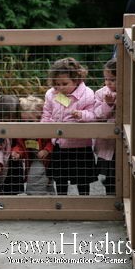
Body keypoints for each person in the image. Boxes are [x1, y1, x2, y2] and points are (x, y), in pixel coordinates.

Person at [41, 57, 96, 195]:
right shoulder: (51, 94)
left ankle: (84, 204)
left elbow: (94, 115)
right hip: (60, 145)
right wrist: (45, 128)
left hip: (80, 146)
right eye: (57, 84)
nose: (60, 87)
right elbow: (46, 114)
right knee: (60, 179)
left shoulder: (88, 94)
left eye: (64, 83)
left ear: (76, 79)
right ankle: (62, 205)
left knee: (83, 180)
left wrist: (82, 115)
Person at [12, 96, 55, 195]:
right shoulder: (24, 132)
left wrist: (46, 150)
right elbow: (20, 145)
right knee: (43, 182)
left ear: (40, 118)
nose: (27, 124)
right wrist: (17, 152)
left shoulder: (45, 129)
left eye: (30, 121)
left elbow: (52, 141)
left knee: (36, 180)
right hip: (32, 159)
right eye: (24, 121)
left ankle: (35, 200)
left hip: (45, 160)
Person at [0, 94, 24, 195]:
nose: (10, 122)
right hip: (1, 162)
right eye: (6, 119)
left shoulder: (19, 127)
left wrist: (18, 151)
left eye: (13, 119)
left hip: (14, 162)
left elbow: (20, 143)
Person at [94, 58, 117, 195]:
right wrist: (108, 104)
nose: (108, 82)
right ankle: (110, 199)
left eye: (113, 79)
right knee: (109, 174)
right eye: (106, 79)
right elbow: (98, 115)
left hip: (124, 141)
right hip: (107, 142)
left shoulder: (129, 91)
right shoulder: (100, 93)